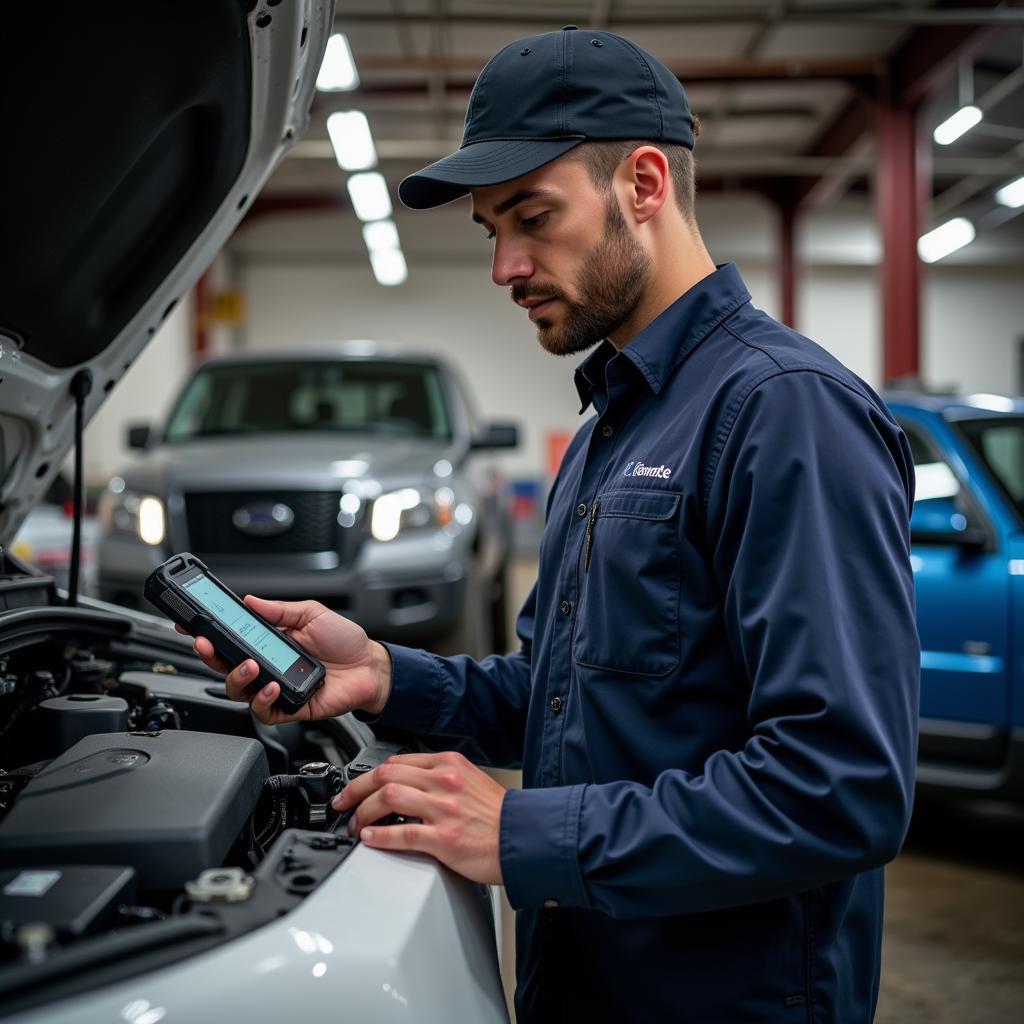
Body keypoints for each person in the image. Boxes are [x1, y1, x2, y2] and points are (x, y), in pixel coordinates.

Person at [194, 27, 919, 1023]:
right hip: (584, 975)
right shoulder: (610, 424)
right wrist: (388, 675)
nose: (505, 266)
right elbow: (568, 694)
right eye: (491, 229)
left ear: (645, 184)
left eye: (532, 217)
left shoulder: (782, 410)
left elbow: (840, 786)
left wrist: (526, 833)